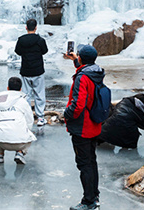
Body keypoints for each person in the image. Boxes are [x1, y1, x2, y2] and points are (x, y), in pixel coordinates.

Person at [63, 45, 105, 210]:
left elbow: (78, 104)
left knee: (84, 164)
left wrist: (67, 114)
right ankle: (94, 194)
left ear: (82, 58)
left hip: (82, 127)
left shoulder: (82, 77)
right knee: (91, 161)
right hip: (94, 124)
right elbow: (84, 70)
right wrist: (75, 59)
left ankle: (89, 201)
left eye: (78, 55)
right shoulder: (97, 72)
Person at [0, 76, 37, 165]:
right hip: (19, 143)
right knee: (30, 135)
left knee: (0, 126)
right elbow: (30, 120)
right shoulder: (22, 102)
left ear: (8, 88)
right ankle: (20, 152)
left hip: (0, 142)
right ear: (20, 89)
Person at [14, 18, 48, 127]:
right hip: (38, 70)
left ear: (26, 27)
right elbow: (45, 51)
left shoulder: (21, 40)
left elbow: (18, 52)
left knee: (26, 95)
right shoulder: (40, 40)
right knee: (39, 94)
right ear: (36, 27)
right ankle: (40, 118)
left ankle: (26, 117)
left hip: (25, 70)